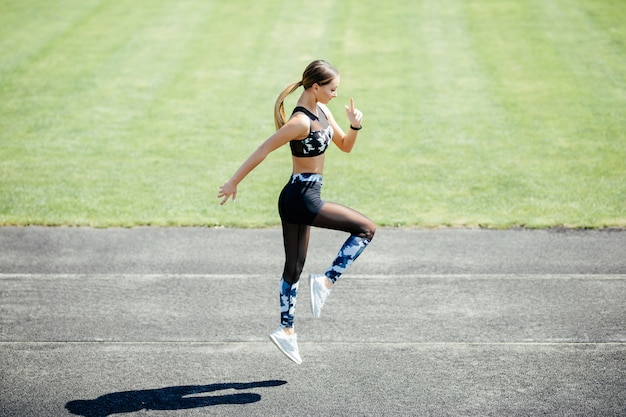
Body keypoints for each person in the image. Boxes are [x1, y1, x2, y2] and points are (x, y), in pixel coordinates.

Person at [217, 60, 376, 365]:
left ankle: (286, 330)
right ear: (315, 87)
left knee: (294, 267)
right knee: (366, 229)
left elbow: (345, 145)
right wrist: (233, 181)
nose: (335, 94)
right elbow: (263, 150)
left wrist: (355, 124)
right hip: (302, 198)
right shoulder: (301, 122)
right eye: (332, 89)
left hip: (299, 197)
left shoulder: (324, 111)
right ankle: (326, 281)